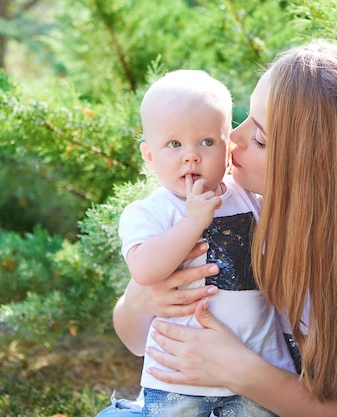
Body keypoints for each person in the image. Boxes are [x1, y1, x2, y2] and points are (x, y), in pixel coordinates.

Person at [97, 41, 337, 417]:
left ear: (313, 169)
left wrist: (240, 371)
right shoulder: (217, 203)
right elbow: (134, 339)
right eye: (243, 120)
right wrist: (140, 299)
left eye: (259, 138)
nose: (233, 141)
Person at [117, 69, 296, 417]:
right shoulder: (150, 212)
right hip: (178, 376)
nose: (191, 156)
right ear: (149, 156)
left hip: (257, 364)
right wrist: (192, 221)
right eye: (174, 144)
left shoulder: (248, 198)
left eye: (207, 142)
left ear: (227, 148)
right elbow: (145, 270)